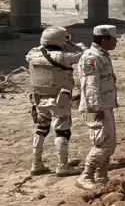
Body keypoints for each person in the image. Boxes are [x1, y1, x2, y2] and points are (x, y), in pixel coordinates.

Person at [25, 26, 84, 176]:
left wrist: (44, 43)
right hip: (59, 99)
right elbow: (85, 54)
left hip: (39, 98)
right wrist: (74, 43)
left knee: (41, 129)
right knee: (62, 131)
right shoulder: (63, 57)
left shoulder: (32, 55)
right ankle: (62, 166)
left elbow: (32, 52)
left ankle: (36, 164)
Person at [75, 26, 119, 190]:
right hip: (97, 108)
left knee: (110, 143)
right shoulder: (91, 58)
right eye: (113, 39)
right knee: (104, 144)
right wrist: (96, 107)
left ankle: (102, 177)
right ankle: (86, 175)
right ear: (104, 40)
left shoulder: (102, 55)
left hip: (105, 106)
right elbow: (90, 86)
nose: (116, 42)